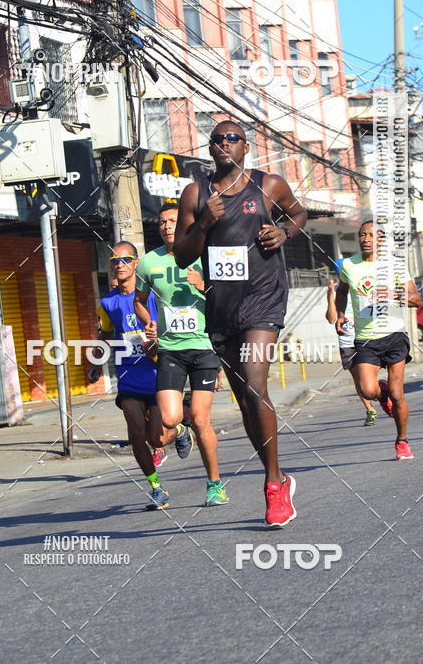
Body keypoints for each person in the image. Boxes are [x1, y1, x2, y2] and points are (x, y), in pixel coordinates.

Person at [174, 119, 307, 527]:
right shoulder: (196, 193)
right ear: (210, 149)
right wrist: (205, 223)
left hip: (264, 299)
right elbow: (181, 255)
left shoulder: (269, 185)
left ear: (246, 147)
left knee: (254, 381)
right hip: (222, 307)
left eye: (232, 138)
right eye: (217, 140)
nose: (224, 144)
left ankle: (272, 484)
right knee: (247, 399)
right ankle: (280, 475)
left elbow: (299, 214)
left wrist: (284, 232)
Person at [134, 202, 229, 507]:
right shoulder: (148, 263)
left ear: (186, 223)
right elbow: (139, 300)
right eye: (161, 222)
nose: (166, 226)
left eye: (172, 220)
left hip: (203, 347)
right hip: (170, 350)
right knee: (169, 419)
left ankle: (215, 485)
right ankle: (182, 425)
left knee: (203, 421)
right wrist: (148, 321)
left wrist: (204, 286)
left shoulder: (204, 255)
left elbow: (227, 298)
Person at [88, 241, 178, 510]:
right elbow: (105, 333)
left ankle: (182, 428)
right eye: (115, 261)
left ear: (136, 263)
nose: (120, 265)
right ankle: (156, 487)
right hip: (127, 375)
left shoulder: (151, 295)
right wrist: (95, 360)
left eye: (126, 260)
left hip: (155, 373)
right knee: (136, 434)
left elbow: (169, 325)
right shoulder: (107, 302)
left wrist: (159, 342)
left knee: (157, 438)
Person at [335, 220, 421, 460]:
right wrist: (341, 314)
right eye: (362, 235)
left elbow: (416, 299)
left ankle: (402, 441)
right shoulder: (349, 265)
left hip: (394, 335)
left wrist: (395, 294)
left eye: (372, 235)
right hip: (365, 339)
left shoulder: (394, 265)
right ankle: (381, 394)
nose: (365, 238)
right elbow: (341, 291)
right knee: (367, 389)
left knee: (397, 393)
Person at [326, 267, 377, 426]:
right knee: (357, 377)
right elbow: (331, 319)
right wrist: (329, 295)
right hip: (347, 341)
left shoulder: (360, 287)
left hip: (365, 338)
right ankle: (370, 409)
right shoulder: (335, 292)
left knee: (368, 376)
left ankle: (379, 391)